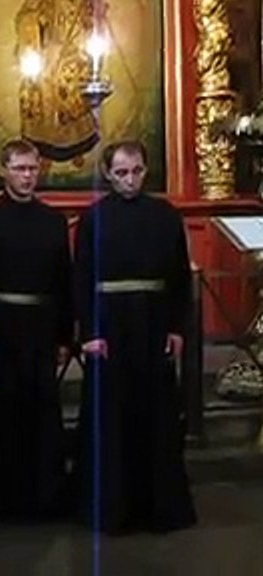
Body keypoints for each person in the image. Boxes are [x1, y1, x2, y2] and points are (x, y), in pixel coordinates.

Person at [75, 140, 196, 534]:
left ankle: (159, 508)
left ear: (146, 170)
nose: (130, 180)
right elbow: (81, 278)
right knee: (111, 419)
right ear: (108, 174)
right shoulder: (93, 218)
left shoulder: (166, 216)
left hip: (153, 323)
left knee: (156, 417)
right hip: (109, 328)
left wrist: (176, 327)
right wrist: (89, 332)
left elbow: (179, 277)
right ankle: (113, 509)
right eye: (122, 173)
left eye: (137, 171)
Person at [0, 138, 72, 519]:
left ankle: (42, 496)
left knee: (40, 413)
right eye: (20, 169)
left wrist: (64, 335)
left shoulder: (53, 222)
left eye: (32, 169)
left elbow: (62, 281)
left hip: (40, 329)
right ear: (4, 171)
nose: (27, 176)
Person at [16, 0, 103, 166]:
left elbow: (94, 23)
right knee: (38, 88)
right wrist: (35, 26)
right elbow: (25, 18)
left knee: (69, 84)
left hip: (75, 54)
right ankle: (42, 148)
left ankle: (76, 146)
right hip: (46, 52)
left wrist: (91, 17)